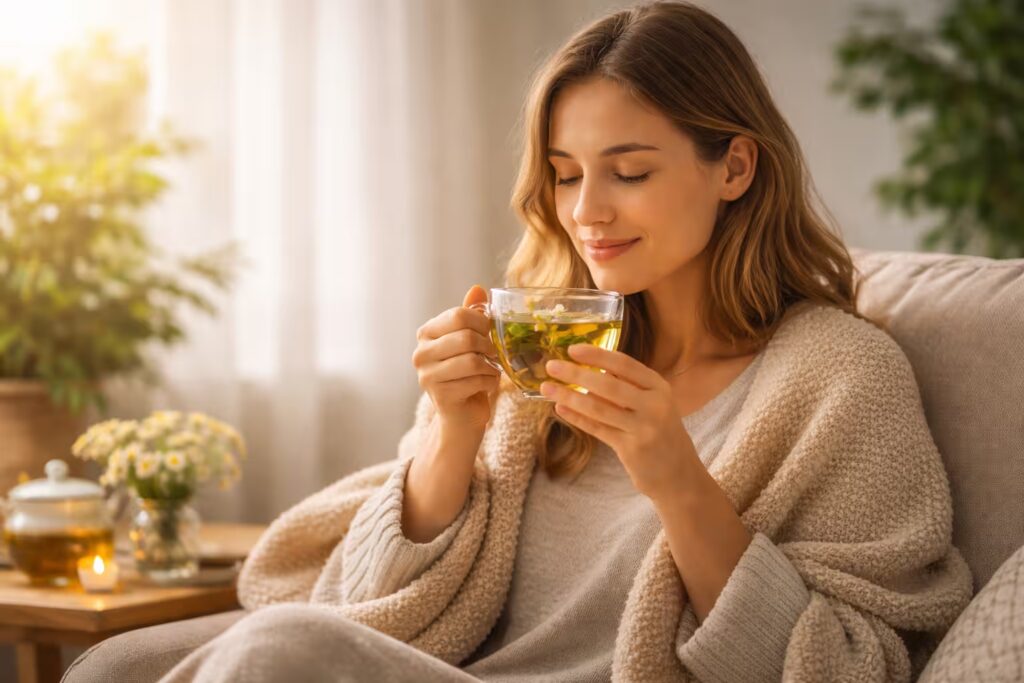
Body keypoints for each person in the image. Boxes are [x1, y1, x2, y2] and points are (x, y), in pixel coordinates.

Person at [63, 2, 971, 682]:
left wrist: (679, 480)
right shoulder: (535, 354)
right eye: (567, 175)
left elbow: (855, 663)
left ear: (733, 165)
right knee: (115, 665)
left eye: (630, 171)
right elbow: (367, 610)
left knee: (275, 650)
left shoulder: (841, 378)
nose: (587, 212)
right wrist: (450, 436)